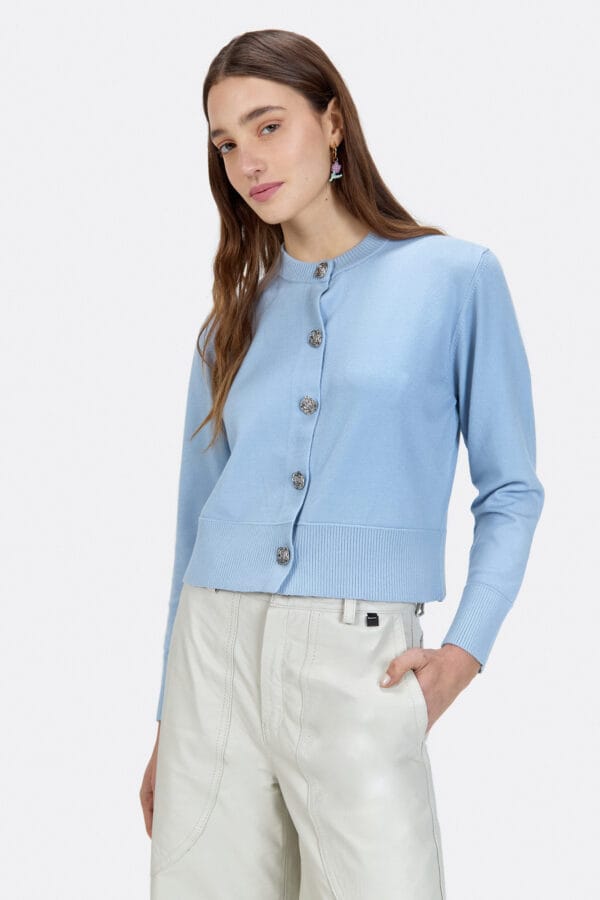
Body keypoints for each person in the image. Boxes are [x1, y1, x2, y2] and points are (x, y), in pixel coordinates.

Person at [139, 28, 545, 899]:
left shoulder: (454, 278)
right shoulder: (229, 325)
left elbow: (512, 489)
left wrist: (465, 651)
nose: (248, 161)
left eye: (268, 125)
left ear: (332, 124)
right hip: (212, 659)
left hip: (360, 658)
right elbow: (191, 528)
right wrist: (170, 721)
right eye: (226, 143)